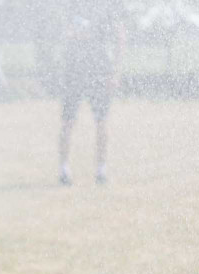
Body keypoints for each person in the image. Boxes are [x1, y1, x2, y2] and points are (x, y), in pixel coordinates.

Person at [57, 0, 126, 185]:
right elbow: (67, 33)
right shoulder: (72, 5)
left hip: (100, 72)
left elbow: (120, 38)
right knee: (67, 121)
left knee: (101, 121)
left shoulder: (108, 7)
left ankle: (101, 170)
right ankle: (63, 169)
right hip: (74, 72)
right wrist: (79, 33)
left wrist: (115, 73)